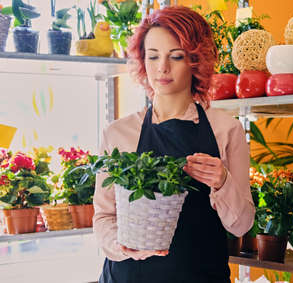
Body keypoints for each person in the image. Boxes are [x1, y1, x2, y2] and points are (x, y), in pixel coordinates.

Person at [93, 6, 255, 283]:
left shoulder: (226, 129)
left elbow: (241, 224)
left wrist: (223, 182)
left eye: (175, 56)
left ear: (196, 61)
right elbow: (104, 217)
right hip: (128, 276)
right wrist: (122, 246)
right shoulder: (119, 133)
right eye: (153, 56)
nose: (162, 68)